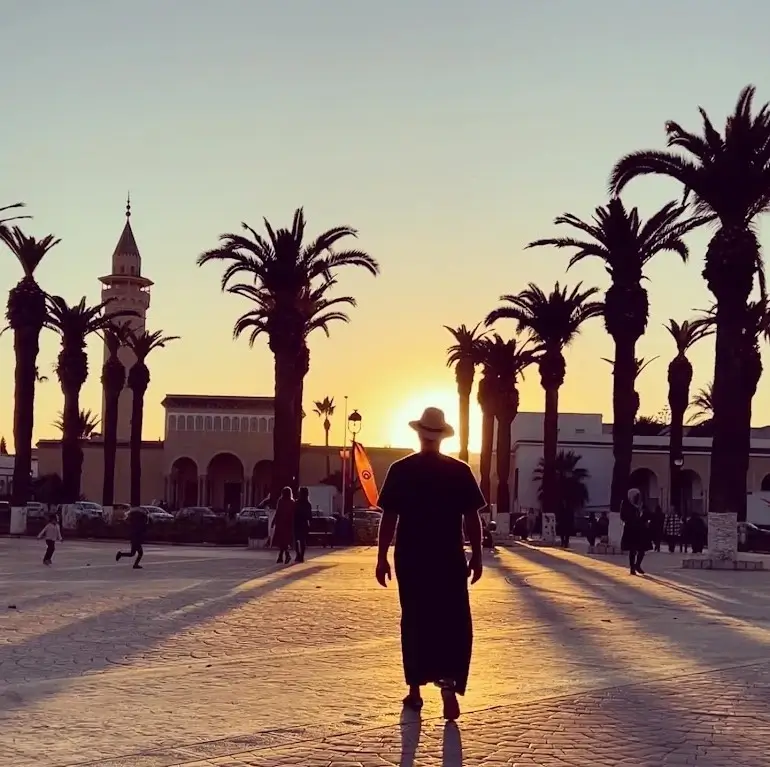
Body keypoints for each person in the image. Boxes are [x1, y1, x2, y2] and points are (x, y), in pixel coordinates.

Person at [375, 407, 485, 722]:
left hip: (412, 557)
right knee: (452, 621)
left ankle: (414, 691)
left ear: (420, 434)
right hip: (448, 557)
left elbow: (389, 517)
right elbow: (472, 517)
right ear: (440, 436)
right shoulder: (459, 471)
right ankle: (448, 687)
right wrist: (476, 555)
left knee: (414, 621)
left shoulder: (401, 470)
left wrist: (382, 557)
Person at [621, 488, 651, 575]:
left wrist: (642, 513)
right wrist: (634, 515)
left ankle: (637, 565)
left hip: (641, 530)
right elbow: (623, 516)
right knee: (632, 550)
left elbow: (648, 515)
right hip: (631, 530)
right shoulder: (626, 504)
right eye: (635, 496)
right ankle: (632, 567)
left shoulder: (642, 504)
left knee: (642, 549)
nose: (637, 498)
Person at [272, 486, 295, 564]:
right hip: (288, 524)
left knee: (282, 540)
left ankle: (283, 556)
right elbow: (293, 514)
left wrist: (274, 522)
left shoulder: (281, 501)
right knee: (285, 540)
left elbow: (278, 512)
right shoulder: (292, 502)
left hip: (281, 523)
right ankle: (282, 556)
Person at [294, 486, 313, 563]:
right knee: (302, 540)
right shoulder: (308, 504)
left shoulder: (296, 503)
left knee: (296, 540)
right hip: (304, 523)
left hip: (296, 523)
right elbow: (309, 516)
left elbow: (294, 513)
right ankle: (301, 555)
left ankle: (298, 555)